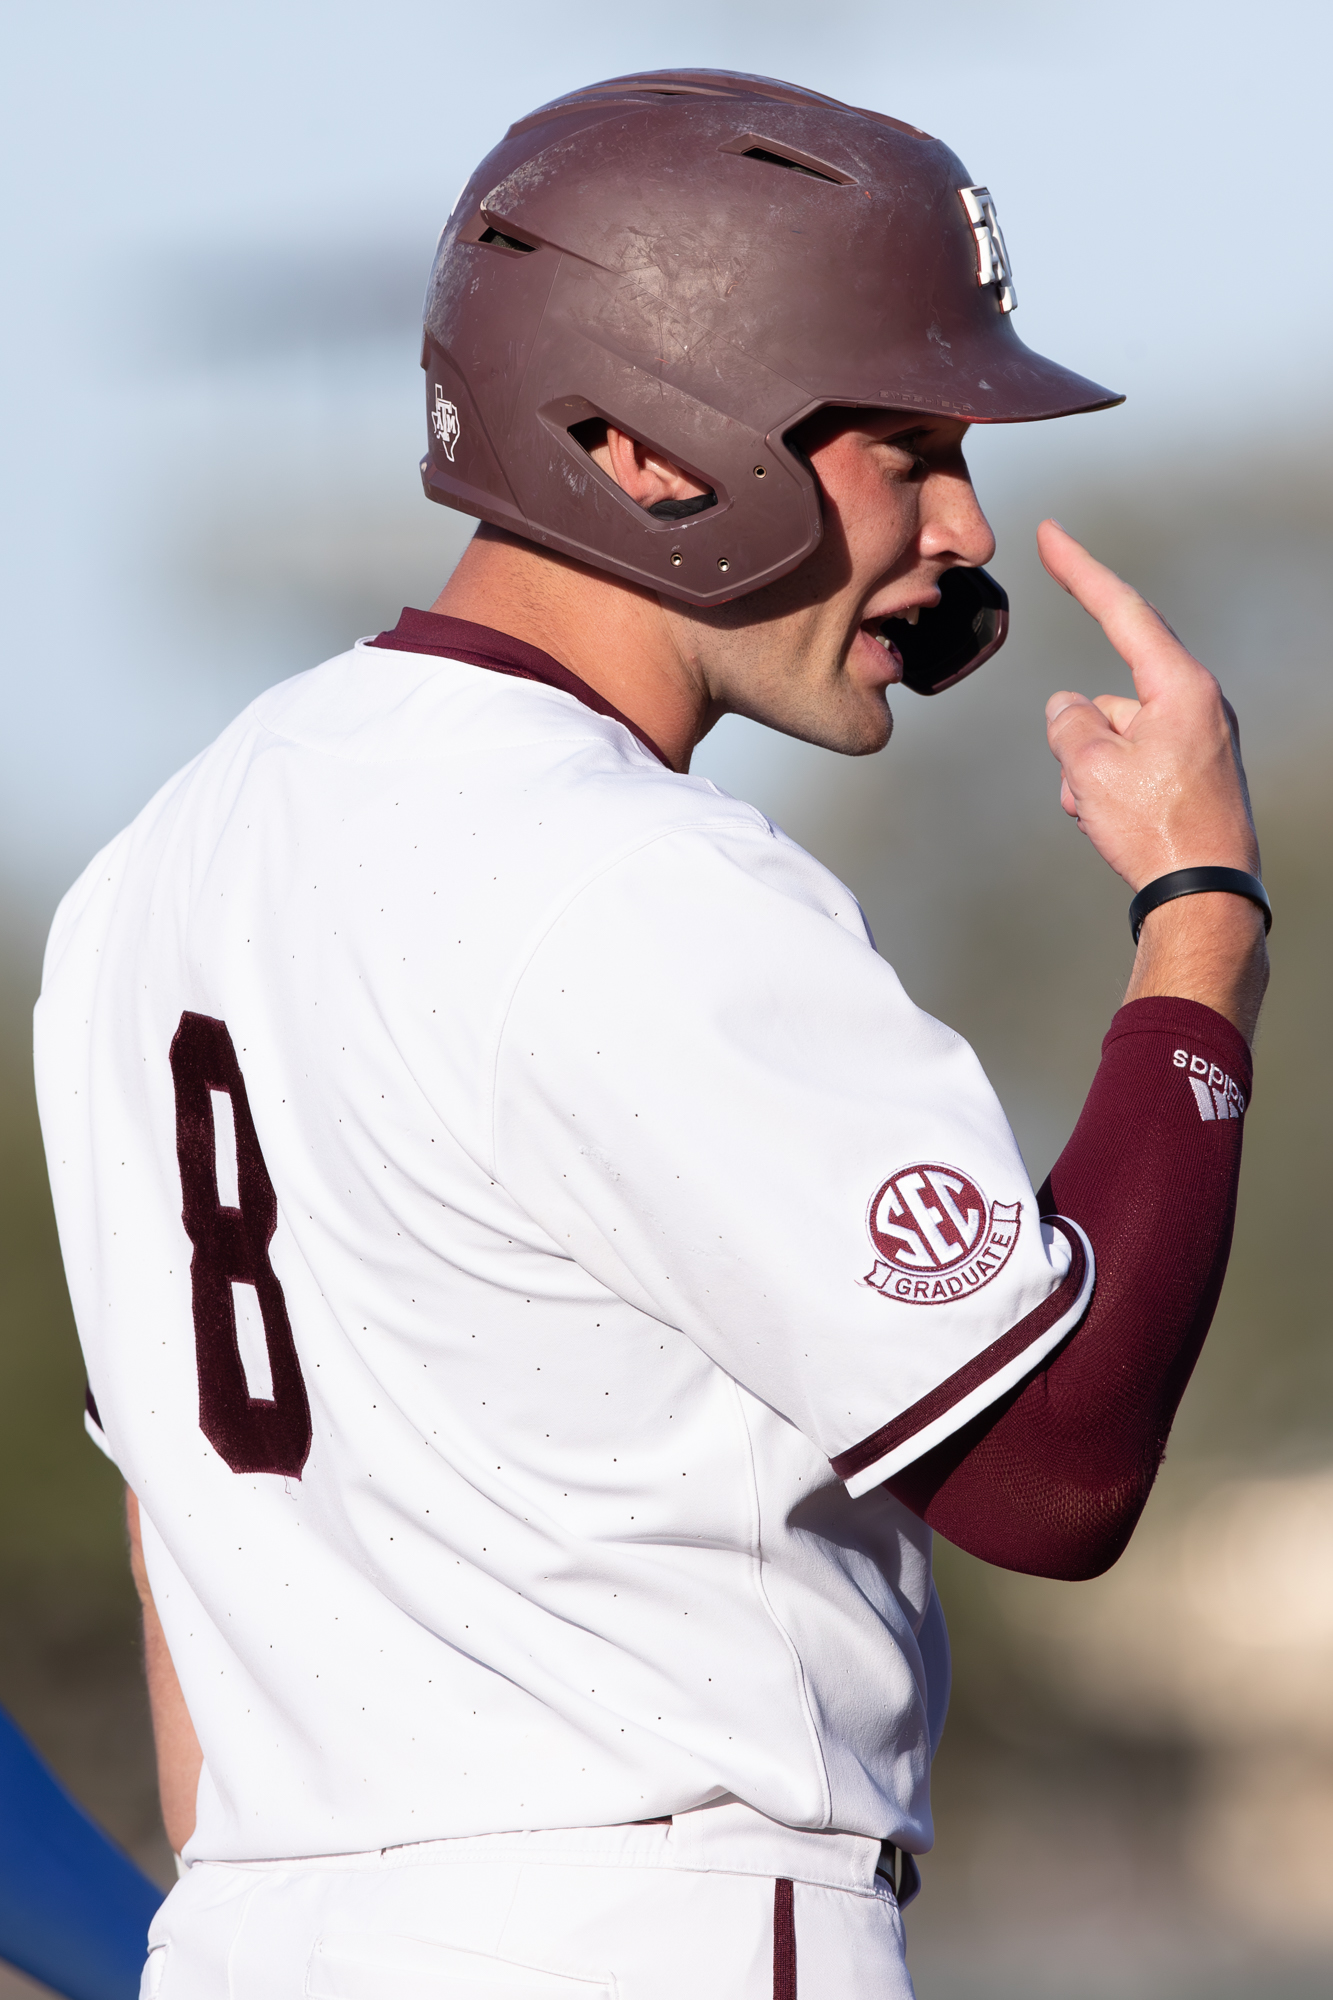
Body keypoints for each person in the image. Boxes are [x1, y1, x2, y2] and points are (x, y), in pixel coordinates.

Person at [35, 70, 1268, 2000]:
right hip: (657, 1931)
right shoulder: (622, 876)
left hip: (260, 1933)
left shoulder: (142, 881)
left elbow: (174, 1555)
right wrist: (1198, 924)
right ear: (642, 442)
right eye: (903, 444)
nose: (961, 528)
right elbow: (1051, 1464)